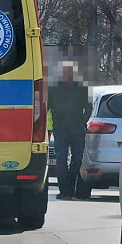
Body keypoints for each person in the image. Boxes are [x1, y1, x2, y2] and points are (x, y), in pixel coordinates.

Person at [48, 63, 91, 199]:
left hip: (77, 127)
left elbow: (89, 106)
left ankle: (72, 188)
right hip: (60, 128)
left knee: (77, 160)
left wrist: (83, 120)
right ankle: (64, 191)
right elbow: (46, 106)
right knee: (60, 160)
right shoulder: (53, 87)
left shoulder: (82, 87)